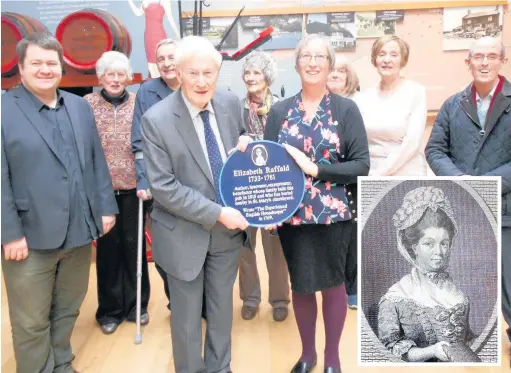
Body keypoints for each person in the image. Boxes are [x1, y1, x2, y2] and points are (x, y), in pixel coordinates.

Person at [1, 33, 117, 373]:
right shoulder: (4, 110)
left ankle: (61, 363)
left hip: (79, 232)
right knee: (31, 319)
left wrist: (106, 206)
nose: (45, 69)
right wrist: (9, 234)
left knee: (68, 307)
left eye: (51, 63)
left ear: (61, 67)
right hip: (29, 237)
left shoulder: (79, 106)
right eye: (36, 63)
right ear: (20, 69)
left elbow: (96, 161)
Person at [140, 35, 250, 373]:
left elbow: (242, 150)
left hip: (227, 238)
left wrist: (248, 143)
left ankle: (221, 368)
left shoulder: (231, 104)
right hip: (183, 235)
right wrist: (218, 213)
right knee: (186, 323)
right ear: (178, 73)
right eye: (192, 74)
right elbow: (163, 187)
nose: (201, 82)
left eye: (208, 73)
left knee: (220, 314)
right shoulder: (156, 120)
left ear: (219, 74)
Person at [263, 34, 370, 373]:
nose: (312, 62)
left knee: (333, 284)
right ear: (296, 64)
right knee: (302, 283)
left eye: (319, 57)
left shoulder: (345, 109)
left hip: (334, 214)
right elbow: (268, 169)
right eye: (305, 56)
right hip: (291, 215)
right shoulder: (279, 111)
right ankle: (308, 355)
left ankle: (333, 359)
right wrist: (266, 209)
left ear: (330, 64)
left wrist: (316, 169)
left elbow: (361, 165)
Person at [425, 36, 511, 345]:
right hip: (463, 209)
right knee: (466, 278)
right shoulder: (452, 105)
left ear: (502, 60)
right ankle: (467, 339)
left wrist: (488, 185)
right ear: (468, 62)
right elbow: (435, 151)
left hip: (506, 210)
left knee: (509, 283)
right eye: (478, 57)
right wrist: (460, 179)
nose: (484, 62)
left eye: (491, 56)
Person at [84, 51, 150, 335]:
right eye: (109, 74)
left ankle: (138, 305)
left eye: (120, 74)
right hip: (102, 191)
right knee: (108, 251)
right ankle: (109, 310)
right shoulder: (86, 104)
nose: (114, 79)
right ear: (101, 78)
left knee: (135, 247)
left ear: (127, 76)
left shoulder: (139, 102)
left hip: (136, 189)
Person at [379, 186, 479, 362]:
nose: (439, 252)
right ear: (413, 247)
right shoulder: (395, 298)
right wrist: (431, 351)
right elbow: (392, 351)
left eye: (444, 243)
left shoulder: (458, 294)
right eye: (429, 244)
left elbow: (467, 341)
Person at [239, 51, 290, 321]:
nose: (250, 78)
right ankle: (250, 298)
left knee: (276, 248)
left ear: (267, 77)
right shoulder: (236, 108)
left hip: (274, 188)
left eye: (256, 73)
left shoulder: (283, 107)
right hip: (245, 189)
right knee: (245, 246)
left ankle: (280, 300)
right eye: (247, 73)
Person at [132, 38, 179, 311]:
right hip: (159, 181)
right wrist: (142, 179)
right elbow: (138, 142)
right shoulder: (147, 91)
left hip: (192, 179)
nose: (167, 63)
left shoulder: (194, 86)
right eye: (161, 59)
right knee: (162, 249)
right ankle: (176, 297)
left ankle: (202, 300)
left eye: (172, 57)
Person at [361, 35, 427, 176]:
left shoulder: (416, 92)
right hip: (372, 171)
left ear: (402, 60)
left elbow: (412, 144)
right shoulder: (367, 95)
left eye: (394, 55)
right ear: (375, 59)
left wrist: (381, 173)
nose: (387, 60)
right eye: (381, 54)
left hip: (406, 170)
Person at [327, 55, 361, 310]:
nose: (336, 74)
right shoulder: (317, 104)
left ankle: (353, 288)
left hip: (354, 174)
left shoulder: (359, 103)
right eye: (332, 70)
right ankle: (334, 286)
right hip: (325, 176)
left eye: (342, 71)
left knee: (352, 236)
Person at [127, 0, 180, 78]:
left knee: (161, 59)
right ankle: (155, 83)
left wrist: (178, 34)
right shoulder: (145, 1)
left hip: (159, 34)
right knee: (151, 63)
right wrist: (130, 1)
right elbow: (138, 13)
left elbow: (170, 18)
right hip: (148, 35)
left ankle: (163, 83)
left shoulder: (164, 1)